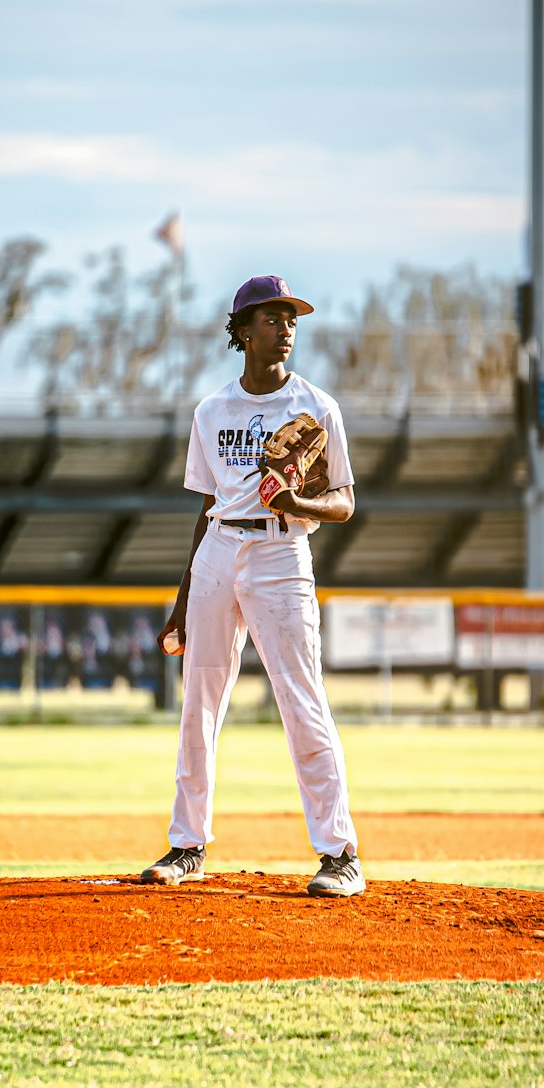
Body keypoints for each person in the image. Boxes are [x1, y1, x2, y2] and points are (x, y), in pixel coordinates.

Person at [141, 275, 364, 897]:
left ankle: (339, 852)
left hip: (281, 551)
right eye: (271, 318)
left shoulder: (317, 407)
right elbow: (206, 506)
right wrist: (180, 604)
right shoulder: (211, 412)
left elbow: (344, 499)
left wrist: (301, 501)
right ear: (242, 331)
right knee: (199, 702)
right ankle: (187, 845)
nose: (285, 327)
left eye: (291, 318)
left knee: (301, 697)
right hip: (218, 550)